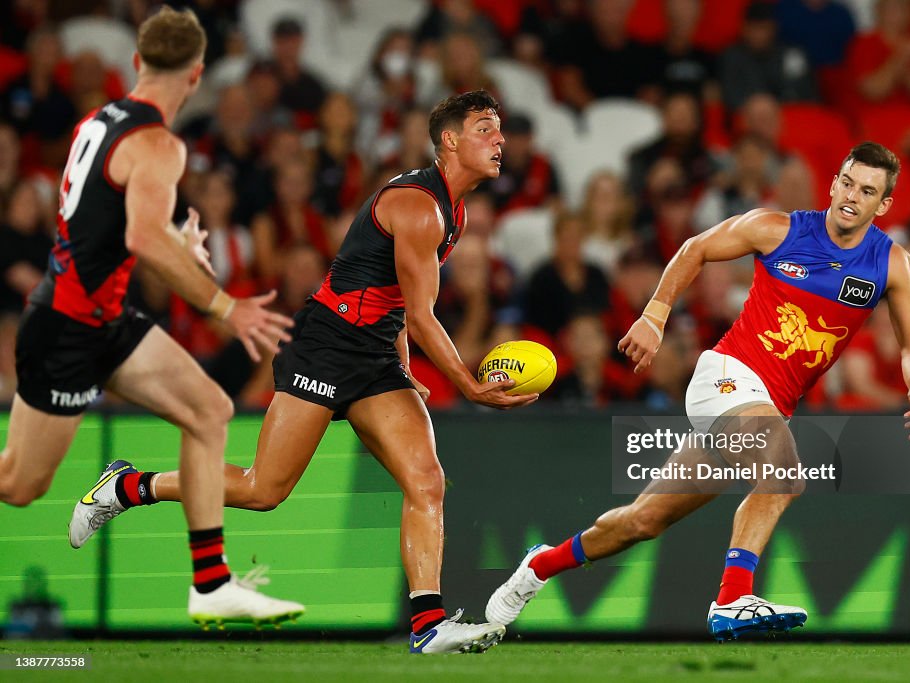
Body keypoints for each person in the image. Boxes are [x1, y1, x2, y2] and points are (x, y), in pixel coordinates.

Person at [70, 90, 536, 654]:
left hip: (374, 358)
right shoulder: (421, 206)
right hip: (325, 345)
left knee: (427, 481)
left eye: (500, 129)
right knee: (263, 491)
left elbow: (391, 300)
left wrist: (406, 369)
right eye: (486, 128)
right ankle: (126, 487)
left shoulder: (452, 208)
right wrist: (467, 384)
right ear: (450, 140)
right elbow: (420, 311)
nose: (500, 139)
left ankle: (427, 625)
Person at [486, 142, 910, 640]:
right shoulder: (777, 228)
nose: (852, 196)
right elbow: (695, 247)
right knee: (783, 470)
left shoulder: (891, 264)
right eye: (847, 183)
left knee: (644, 520)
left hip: (765, 407)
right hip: (726, 376)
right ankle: (732, 599)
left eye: (868, 190)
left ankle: (539, 566)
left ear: (884, 205)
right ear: (833, 183)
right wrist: (655, 315)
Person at [0, 7, 302, 627]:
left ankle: (211, 583)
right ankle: (209, 581)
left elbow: (103, 219)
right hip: (68, 328)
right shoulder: (161, 144)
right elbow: (139, 234)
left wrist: (173, 239)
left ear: (137, 63)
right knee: (19, 485)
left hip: (101, 316)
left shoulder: (98, 121)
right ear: (197, 75)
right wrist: (224, 304)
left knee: (209, 411)